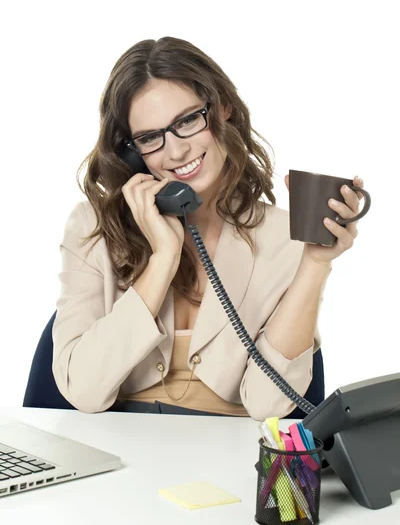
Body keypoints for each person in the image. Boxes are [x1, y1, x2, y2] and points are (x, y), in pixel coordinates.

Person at [52, 36, 364, 420]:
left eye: (187, 121)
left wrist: (316, 263)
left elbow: (268, 406)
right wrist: (163, 259)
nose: (176, 151)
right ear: (131, 152)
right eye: (151, 138)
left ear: (223, 110)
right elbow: (82, 390)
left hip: (229, 462)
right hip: (122, 457)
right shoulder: (93, 228)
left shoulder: (285, 238)